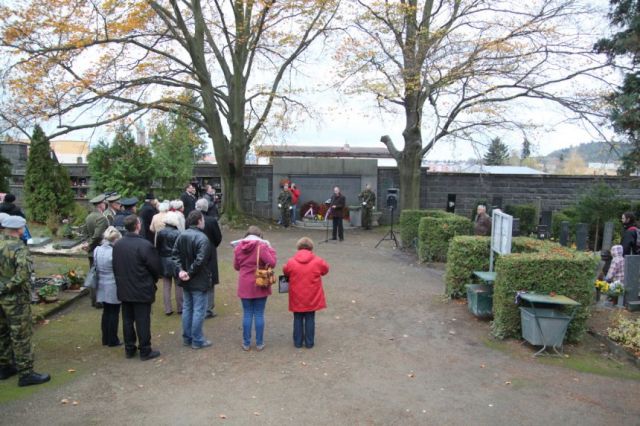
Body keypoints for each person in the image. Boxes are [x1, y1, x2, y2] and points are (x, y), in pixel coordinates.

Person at [0, 215, 50, 386]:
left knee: (2, 333)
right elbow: (22, 276)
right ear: (19, 229)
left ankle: (4, 366)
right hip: (15, 301)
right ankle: (26, 373)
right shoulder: (19, 248)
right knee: (21, 336)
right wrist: (5, 287)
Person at [112, 215, 162, 360]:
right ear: (138, 225)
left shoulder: (118, 245)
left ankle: (129, 348)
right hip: (141, 288)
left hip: (125, 288)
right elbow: (155, 268)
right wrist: (152, 280)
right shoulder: (145, 245)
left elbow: (115, 266)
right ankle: (145, 350)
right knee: (142, 320)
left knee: (127, 319)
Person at [172, 210, 212, 349]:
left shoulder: (182, 235)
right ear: (199, 221)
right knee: (198, 310)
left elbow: (175, 255)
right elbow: (201, 260)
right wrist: (186, 272)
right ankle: (197, 339)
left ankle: (188, 338)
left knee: (188, 308)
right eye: (203, 220)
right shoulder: (203, 239)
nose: (204, 222)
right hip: (198, 279)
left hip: (186, 278)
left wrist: (182, 271)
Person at [233, 226, 277, 351]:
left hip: (244, 284)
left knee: (247, 314)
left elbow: (236, 266)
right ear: (260, 236)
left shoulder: (238, 248)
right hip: (260, 284)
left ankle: (246, 343)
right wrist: (271, 249)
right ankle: (259, 343)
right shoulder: (262, 247)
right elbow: (272, 263)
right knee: (259, 314)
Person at [283, 237, 329, 349]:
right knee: (310, 318)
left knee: (297, 317)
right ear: (311, 247)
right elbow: (325, 270)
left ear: (298, 247)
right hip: (312, 295)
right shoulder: (318, 261)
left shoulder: (291, 261)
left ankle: (298, 342)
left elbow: (286, 271)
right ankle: (309, 342)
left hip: (296, 295)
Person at [94, 226, 123, 347]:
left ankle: (105, 338)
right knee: (114, 312)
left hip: (101, 283)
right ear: (115, 239)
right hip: (112, 284)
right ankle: (113, 339)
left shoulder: (97, 250)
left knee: (106, 312)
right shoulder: (114, 252)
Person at [196, 198, 222, 319]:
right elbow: (218, 237)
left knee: (198, 278)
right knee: (210, 280)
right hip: (210, 252)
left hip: (196, 251)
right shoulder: (211, 221)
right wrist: (212, 245)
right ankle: (208, 309)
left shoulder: (191, 220)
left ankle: (200, 307)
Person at [83, 194, 109, 308]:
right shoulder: (102, 218)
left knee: (93, 275)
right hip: (99, 250)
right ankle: (99, 301)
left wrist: (87, 244)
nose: (105, 205)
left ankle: (94, 299)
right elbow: (98, 235)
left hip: (91, 251)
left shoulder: (89, 216)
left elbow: (85, 232)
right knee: (101, 275)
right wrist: (89, 245)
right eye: (104, 203)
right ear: (100, 205)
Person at [156, 212, 183, 316]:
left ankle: (168, 309)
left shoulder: (160, 233)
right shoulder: (178, 233)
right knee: (178, 285)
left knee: (166, 285)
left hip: (164, 261)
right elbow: (181, 249)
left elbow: (157, 248)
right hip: (176, 261)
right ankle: (180, 307)